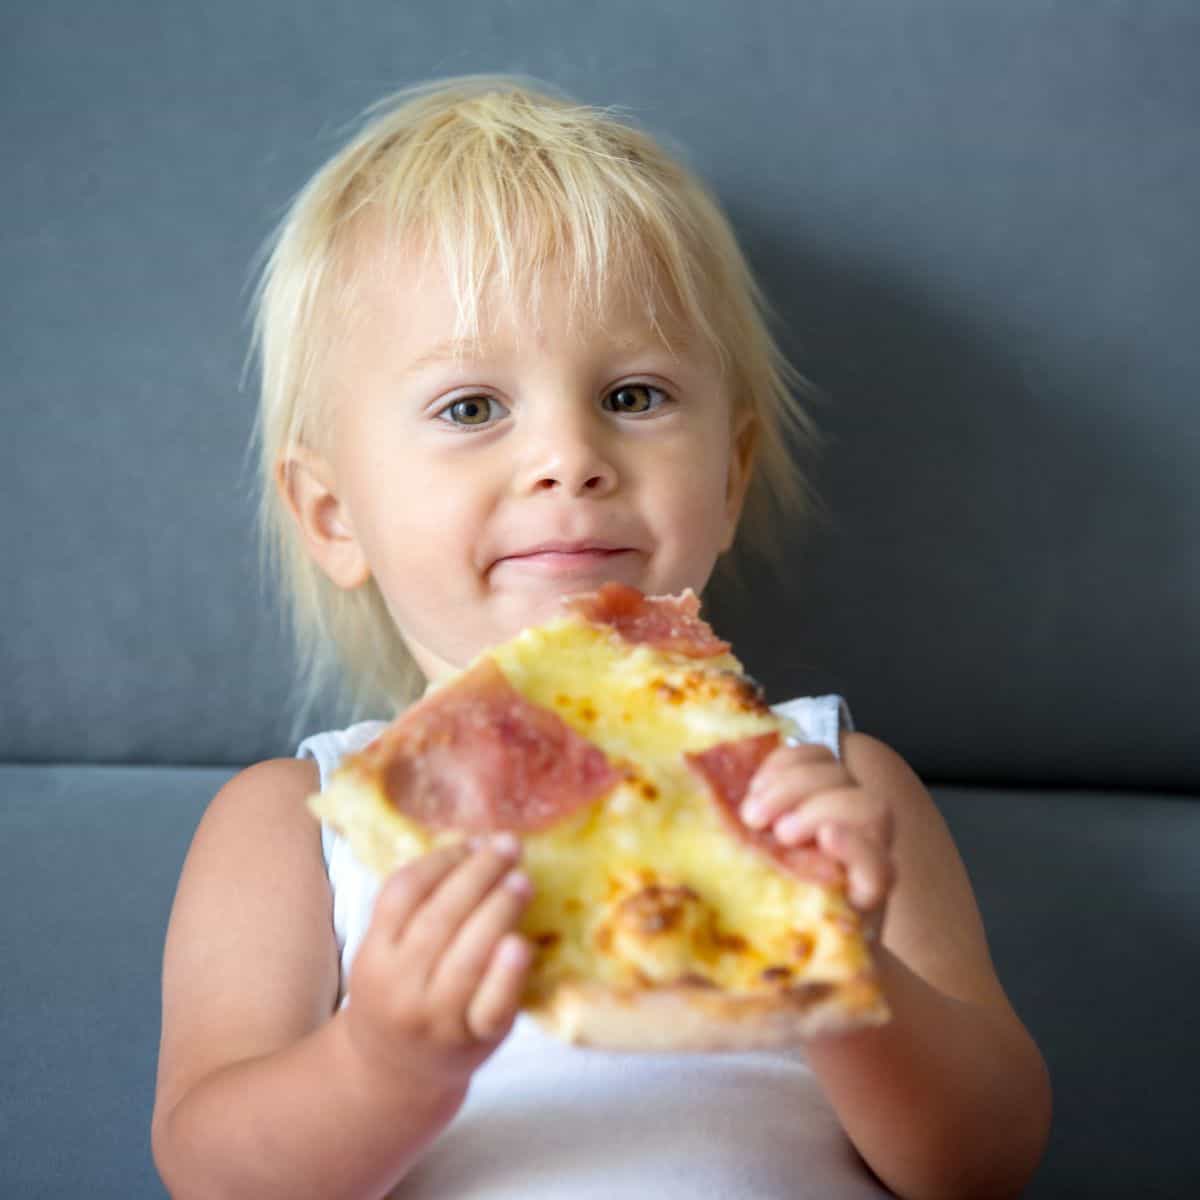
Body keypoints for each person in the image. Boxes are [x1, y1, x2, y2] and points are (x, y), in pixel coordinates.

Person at [151, 76, 1051, 1199]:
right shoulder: (290, 829)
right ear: (335, 516)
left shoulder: (830, 788)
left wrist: (842, 970)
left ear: (727, 480)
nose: (569, 456)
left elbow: (988, 1161)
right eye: (472, 408)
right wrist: (378, 1063)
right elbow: (209, 1170)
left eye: (632, 395)